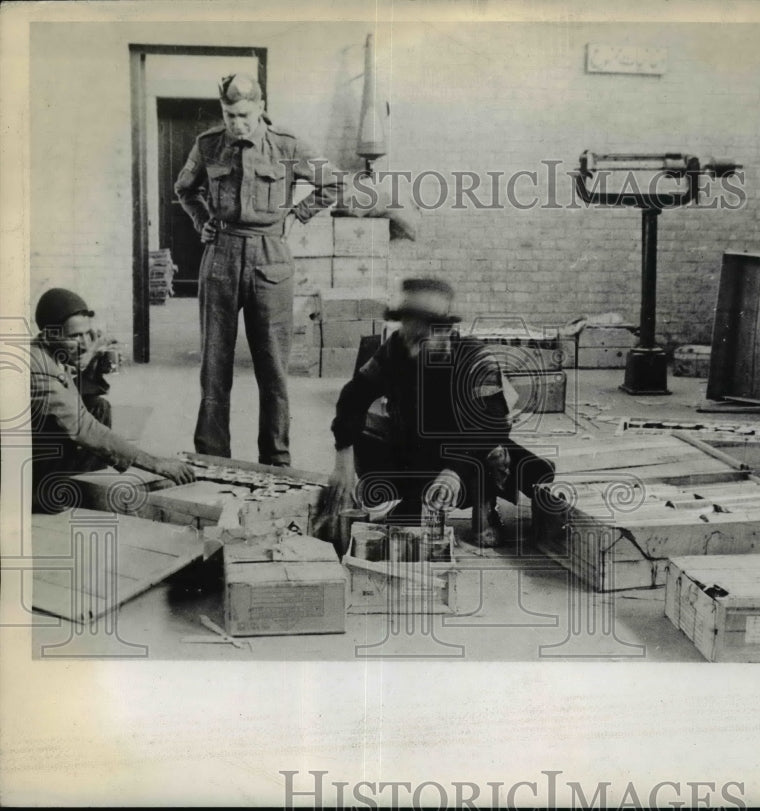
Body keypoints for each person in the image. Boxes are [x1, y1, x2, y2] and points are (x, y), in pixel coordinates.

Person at [174, 73, 347, 467]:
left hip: (270, 258)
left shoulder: (287, 146)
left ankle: (276, 461)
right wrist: (202, 220)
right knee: (214, 368)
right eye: (230, 115)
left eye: (245, 115)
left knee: (273, 371)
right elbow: (185, 188)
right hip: (220, 256)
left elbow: (335, 182)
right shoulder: (208, 145)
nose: (238, 123)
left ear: (261, 108)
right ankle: (212, 459)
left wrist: (297, 214)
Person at [327, 278, 554, 547]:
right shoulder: (395, 350)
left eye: (423, 331)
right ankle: (414, 502)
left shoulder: (474, 357)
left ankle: (485, 506)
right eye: (408, 325)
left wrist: (454, 470)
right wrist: (343, 456)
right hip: (415, 448)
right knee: (361, 429)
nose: (411, 339)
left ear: (444, 329)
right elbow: (354, 396)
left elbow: (492, 424)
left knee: (493, 449)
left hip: (467, 449)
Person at [30, 288, 194, 513]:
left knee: (98, 406)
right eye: (75, 336)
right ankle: (47, 493)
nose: (84, 343)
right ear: (50, 335)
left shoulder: (47, 348)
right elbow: (84, 428)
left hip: (39, 446)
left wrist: (93, 360)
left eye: (88, 334)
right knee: (92, 422)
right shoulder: (38, 369)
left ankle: (84, 484)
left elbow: (69, 378)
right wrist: (156, 463)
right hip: (24, 469)